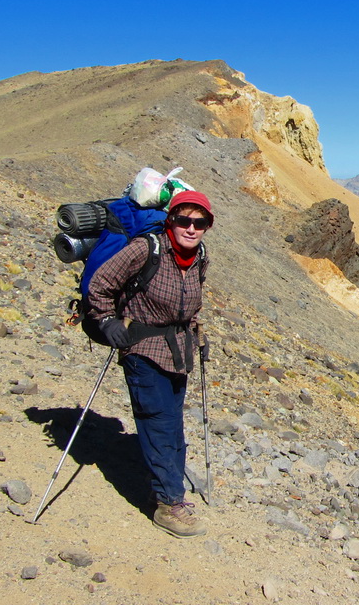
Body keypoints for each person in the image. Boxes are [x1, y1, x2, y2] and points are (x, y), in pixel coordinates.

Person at [87, 189, 213, 538]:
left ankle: (171, 488)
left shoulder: (200, 256)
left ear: (207, 226)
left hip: (178, 350)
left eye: (199, 222)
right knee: (156, 421)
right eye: (183, 220)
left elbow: (192, 301)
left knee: (172, 425)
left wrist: (198, 333)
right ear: (170, 220)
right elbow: (100, 285)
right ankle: (168, 504)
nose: (191, 228)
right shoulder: (147, 249)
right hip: (141, 347)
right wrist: (106, 320)